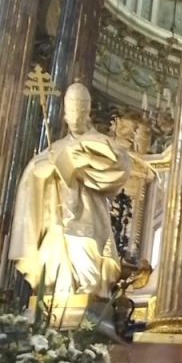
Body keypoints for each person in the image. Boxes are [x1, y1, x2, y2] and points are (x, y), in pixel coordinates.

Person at [9, 83, 131, 298]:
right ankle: (53, 305)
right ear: (65, 115)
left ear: (87, 113)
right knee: (51, 260)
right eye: (71, 113)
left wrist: (85, 162)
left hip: (87, 216)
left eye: (79, 113)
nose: (75, 118)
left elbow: (118, 168)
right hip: (57, 218)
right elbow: (33, 174)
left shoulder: (101, 143)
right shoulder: (54, 148)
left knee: (86, 256)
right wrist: (49, 167)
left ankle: (88, 302)